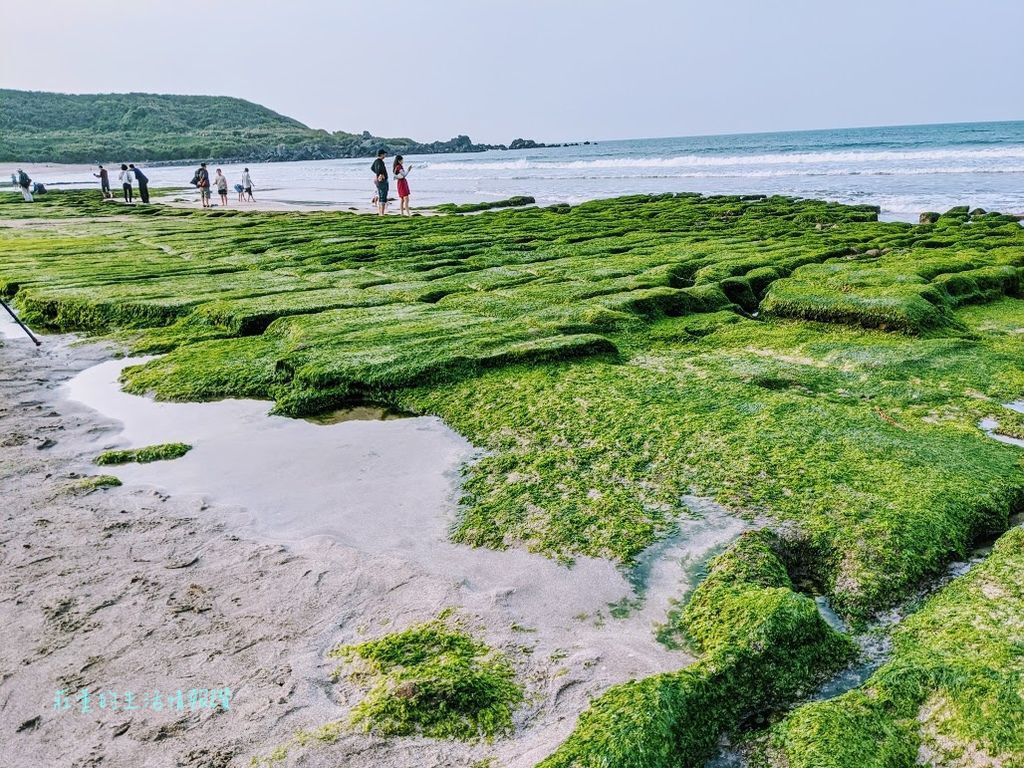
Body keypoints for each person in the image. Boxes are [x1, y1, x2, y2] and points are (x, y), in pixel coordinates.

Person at [371, 149, 388, 215]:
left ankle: (380, 212)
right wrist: (380, 175)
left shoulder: (376, 161)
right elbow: (379, 169)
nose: (385, 155)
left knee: (380, 195)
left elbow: (372, 168)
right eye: (384, 154)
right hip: (382, 181)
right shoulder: (380, 162)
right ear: (381, 154)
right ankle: (382, 213)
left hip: (379, 180)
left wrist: (377, 175)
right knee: (383, 196)